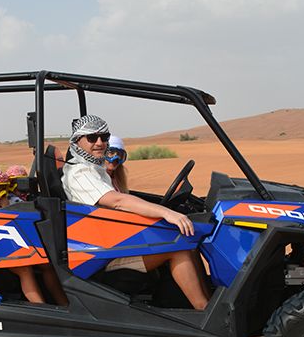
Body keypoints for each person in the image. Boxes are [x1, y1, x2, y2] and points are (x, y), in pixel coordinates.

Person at [62, 115, 210, 310]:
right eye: (92, 138)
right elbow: (117, 201)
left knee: (188, 240)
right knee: (179, 248)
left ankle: (205, 302)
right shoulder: (80, 173)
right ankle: (204, 311)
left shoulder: (95, 170)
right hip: (103, 255)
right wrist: (167, 213)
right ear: (77, 141)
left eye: (104, 137)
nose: (99, 143)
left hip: (115, 242)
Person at [0, 165, 68, 306]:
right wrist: (5, 206)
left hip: (17, 246)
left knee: (46, 264)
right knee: (25, 269)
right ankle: (42, 308)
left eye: (4, 188)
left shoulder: (12, 201)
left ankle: (64, 305)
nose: (2, 193)